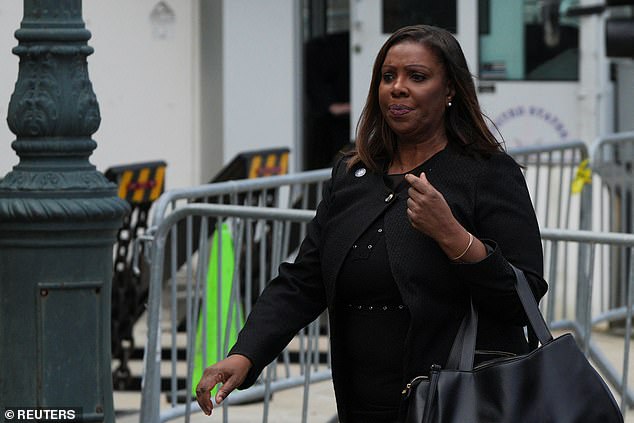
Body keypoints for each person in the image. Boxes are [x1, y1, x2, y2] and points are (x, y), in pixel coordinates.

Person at [195, 24, 547, 423]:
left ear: (450, 90)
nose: (397, 88)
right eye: (387, 76)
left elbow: (523, 297)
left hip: (456, 400)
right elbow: (304, 280)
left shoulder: (486, 173)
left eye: (417, 76)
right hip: (363, 402)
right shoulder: (353, 173)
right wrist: (246, 353)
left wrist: (454, 237)